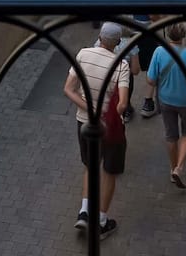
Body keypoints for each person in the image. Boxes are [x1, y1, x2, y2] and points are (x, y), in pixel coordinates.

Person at [63, 22, 130, 238]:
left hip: (85, 123)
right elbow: (123, 105)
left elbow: (68, 89)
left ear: (99, 37)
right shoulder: (121, 65)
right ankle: (101, 221)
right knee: (110, 172)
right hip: (109, 127)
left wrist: (90, 109)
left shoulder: (83, 54)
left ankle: (84, 212)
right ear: (118, 43)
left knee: (90, 166)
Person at [146, 22, 186, 189]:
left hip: (165, 100)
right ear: (183, 36)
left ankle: (172, 168)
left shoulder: (159, 52)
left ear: (167, 34)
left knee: (170, 135)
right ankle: (179, 168)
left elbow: (150, 80)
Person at [110, 0, 162, 120]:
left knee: (125, 68)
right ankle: (148, 102)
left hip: (122, 29)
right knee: (153, 63)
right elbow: (153, 14)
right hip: (142, 31)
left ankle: (126, 106)